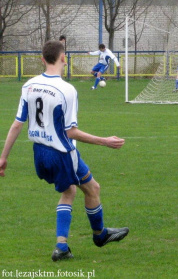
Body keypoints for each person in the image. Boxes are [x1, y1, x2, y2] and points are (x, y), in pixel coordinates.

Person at [0, 40, 128, 261]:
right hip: (62, 154)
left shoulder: (29, 85)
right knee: (92, 188)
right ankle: (100, 235)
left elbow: (17, 124)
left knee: (69, 191)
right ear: (63, 58)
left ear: (42, 59)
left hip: (39, 153)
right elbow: (71, 132)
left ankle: (62, 247)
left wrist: (3, 157)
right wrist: (104, 141)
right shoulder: (67, 90)